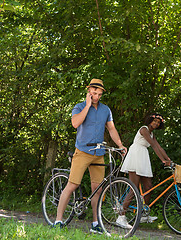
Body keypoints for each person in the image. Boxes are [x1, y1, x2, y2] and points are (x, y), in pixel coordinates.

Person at [53, 79, 127, 234]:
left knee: (97, 189)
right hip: (82, 152)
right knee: (72, 184)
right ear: (89, 91)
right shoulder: (79, 107)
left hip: (98, 153)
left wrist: (120, 145)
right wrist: (87, 105)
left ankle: (95, 223)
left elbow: (112, 129)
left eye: (99, 94)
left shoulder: (105, 110)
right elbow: (75, 123)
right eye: (94, 93)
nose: (97, 97)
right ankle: (58, 220)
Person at [118, 113, 171, 228]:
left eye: (158, 122)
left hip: (143, 157)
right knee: (134, 189)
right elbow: (153, 145)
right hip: (136, 155)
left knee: (148, 188)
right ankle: (121, 216)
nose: (156, 123)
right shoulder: (144, 129)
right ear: (150, 120)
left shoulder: (152, 134)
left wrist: (168, 159)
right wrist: (162, 160)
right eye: (155, 121)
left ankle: (143, 214)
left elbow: (159, 147)